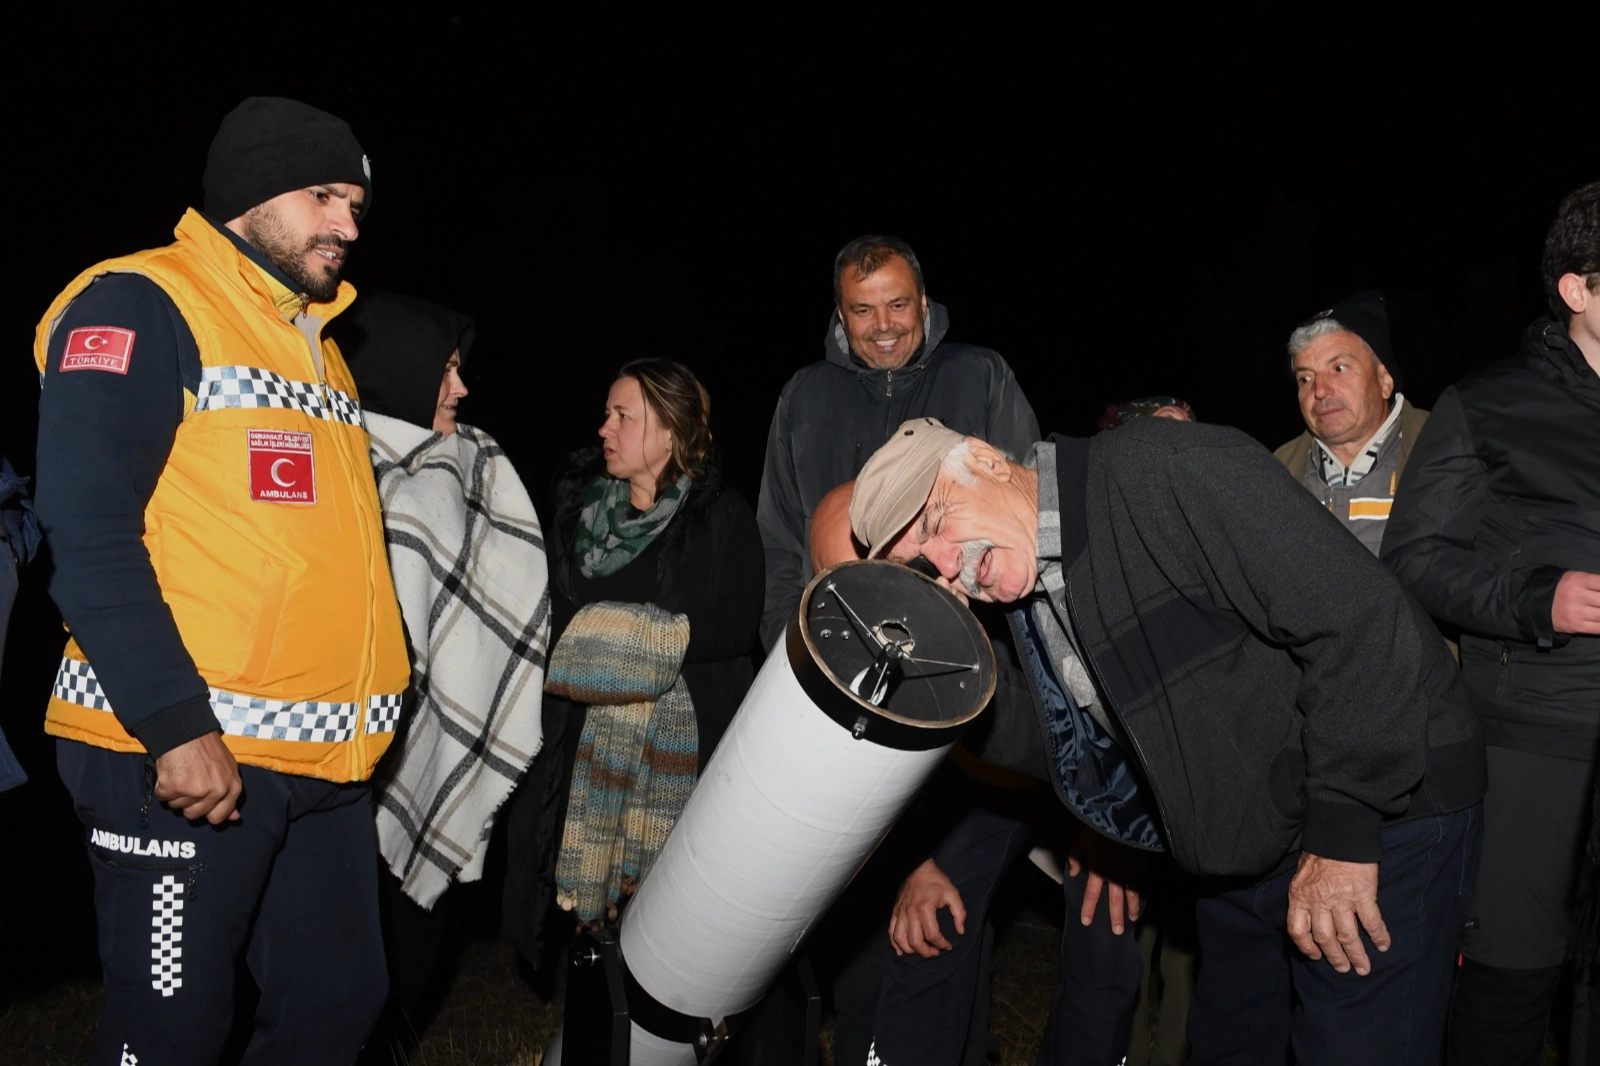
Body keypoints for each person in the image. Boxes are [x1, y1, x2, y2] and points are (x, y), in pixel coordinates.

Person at [848, 416, 1485, 1066]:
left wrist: (1344, 830)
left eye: (934, 524)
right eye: (924, 568)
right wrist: (928, 687)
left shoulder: (1161, 468)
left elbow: (1362, 618)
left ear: (984, 461)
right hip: (1246, 848)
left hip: (1383, 807)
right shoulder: (1029, 597)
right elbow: (1061, 748)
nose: (950, 568)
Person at [31, 97, 409, 1065]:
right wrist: (173, 723)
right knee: (170, 1036)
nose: (348, 226)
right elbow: (88, 529)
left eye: (357, 204)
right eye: (323, 195)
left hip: (319, 767)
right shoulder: (138, 302)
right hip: (183, 759)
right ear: (248, 193)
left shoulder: (321, 350)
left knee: (340, 1005)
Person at [1384, 180, 1600, 1066]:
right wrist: (1535, 598)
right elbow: (1413, 559)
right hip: (1535, 729)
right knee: (1514, 972)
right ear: (1578, 289)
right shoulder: (1489, 402)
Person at [336, 291, 550, 1058]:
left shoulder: (470, 462)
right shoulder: (336, 456)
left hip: (435, 727)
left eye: (460, 368)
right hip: (342, 739)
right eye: (446, 369)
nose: (460, 387)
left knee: (412, 929)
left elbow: (501, 587)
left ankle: (391, 1041)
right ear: (398, 368)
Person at [502, 359, 762, 961]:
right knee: (591, 926)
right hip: (576, 743)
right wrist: (617, 639)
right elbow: (551, 617)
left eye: (623, 416)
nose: (604, 429)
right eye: (607, 413)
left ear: (670, 431)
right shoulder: (577, 514)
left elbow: (735, 628)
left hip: (688, 745)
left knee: (676, 918)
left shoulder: (722, 517)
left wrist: (625, 640)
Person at [755, 234, 1039, 652]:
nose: (883, 325)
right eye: (863, 310)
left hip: (969, 650)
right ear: (841, 315)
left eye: (898, 305)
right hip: (839, 647)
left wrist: (999, 651)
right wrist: (790, 649)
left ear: (923, 302)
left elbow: (1025, 507)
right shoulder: (803, 396)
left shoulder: (980, 375)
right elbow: (778, 539)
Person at [1275, 290, 1430, 557]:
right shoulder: (1275, 474)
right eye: (1305, 379)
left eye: (1338, 368)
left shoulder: (1442, 451)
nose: (1320, 390)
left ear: (1384, 381)